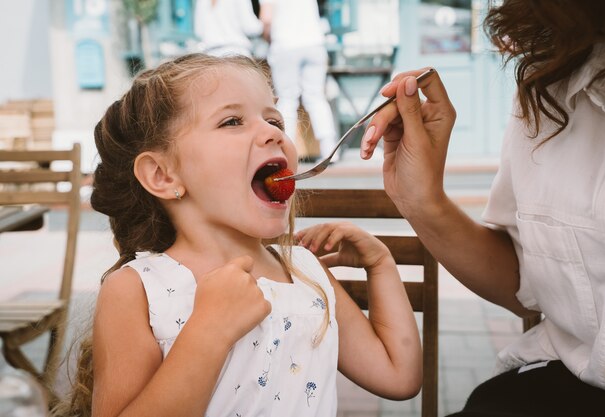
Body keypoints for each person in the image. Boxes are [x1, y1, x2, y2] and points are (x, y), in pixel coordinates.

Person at [53, 53, 421, 417]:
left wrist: (380, 264)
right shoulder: (136, 290)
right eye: (232, 121)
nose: (273, 133)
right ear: (163, 176)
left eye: (274, 119)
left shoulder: (305, 272)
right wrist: (208, 332)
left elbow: (397, 376)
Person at [359, 0, 605, 415]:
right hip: (553, 389)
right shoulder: (550, 93)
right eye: (233, 121)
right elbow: (527, 280)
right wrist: (422, 200)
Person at [259, 0, 338, 161]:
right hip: (314, 44)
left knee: (287, 99)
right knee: (316, 97)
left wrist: (267, 38)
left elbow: (266, 20)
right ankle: (330, 150)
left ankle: (287, 150)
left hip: (285, 45)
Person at [193, 0, 262, 57]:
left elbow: (199, 31)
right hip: (237, 53)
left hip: (211, 55)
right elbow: (250, 28)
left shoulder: (201, 1)